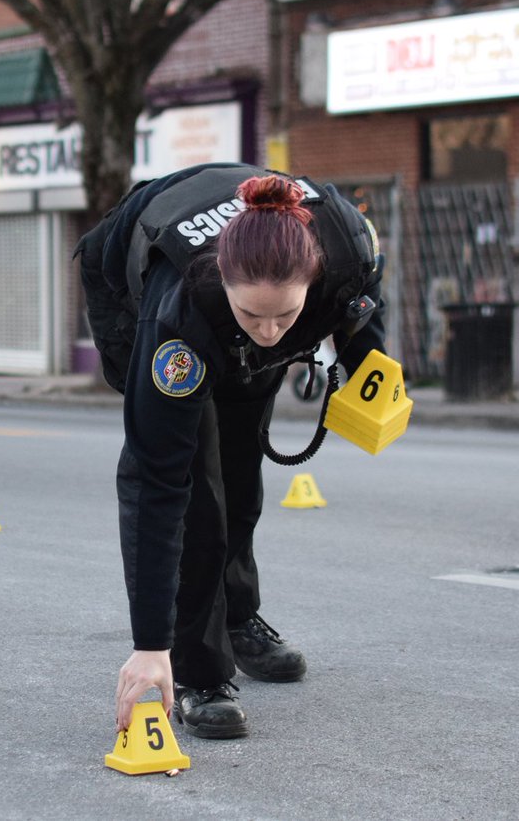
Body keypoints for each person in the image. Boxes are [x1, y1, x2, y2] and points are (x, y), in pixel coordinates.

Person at [77, 163, 387, 739]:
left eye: (285, 315)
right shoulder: (178, 311)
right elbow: (154, 482)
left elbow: (363, 301)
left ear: (314, 275)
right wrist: (149, 645)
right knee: (196, 490)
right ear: (221, 279)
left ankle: (239, 619)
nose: (268, 332)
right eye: (252, 315)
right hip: (135, 281)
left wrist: (368, 366)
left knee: (241, 473)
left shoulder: (346, 246)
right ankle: (198, 671)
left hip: (243, 300)